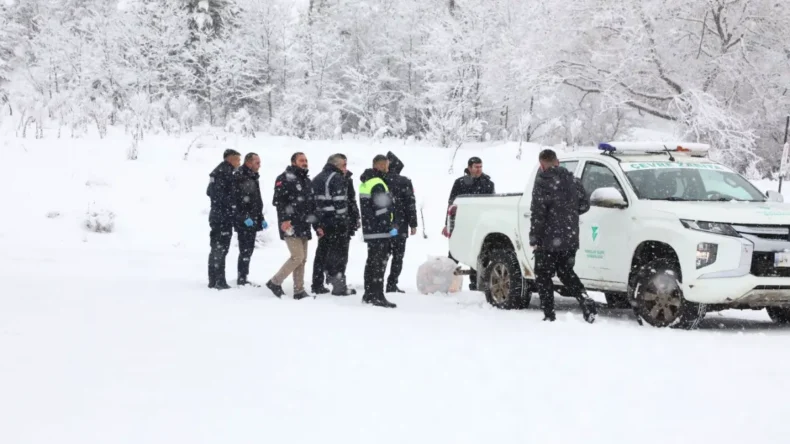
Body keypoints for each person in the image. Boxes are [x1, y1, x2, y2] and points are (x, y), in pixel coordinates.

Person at [529, 149, 597, 323]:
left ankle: (549, 314)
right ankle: (584, 298)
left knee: (543, 275)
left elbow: (538, 214)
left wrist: (535, 238)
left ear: (542, 165)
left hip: (547, 239)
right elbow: (585, 205)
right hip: (569, 236)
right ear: (557, 162)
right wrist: (568, 216)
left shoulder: (542, 183)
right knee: (566, 272)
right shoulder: (573, 181)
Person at [266, 152, 319, 300]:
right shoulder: (284, 178)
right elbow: (279, 201)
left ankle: (299, 290)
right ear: (293, 162)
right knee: (297, 256)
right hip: (290, 224)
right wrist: (285, 219)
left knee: (302, 259)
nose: (305, 162)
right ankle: (275, 282)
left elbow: (312, 205)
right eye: (301, 160)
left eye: (306, 160)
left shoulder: (307, 181)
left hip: (304, 224)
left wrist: (316, 225)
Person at [310, 153, 356, 296]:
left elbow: (312, 204)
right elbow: (340, 204)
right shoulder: (337, 178)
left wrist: (317, 224)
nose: (345, 168)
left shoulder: (317, 178)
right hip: (336, 223)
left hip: (322, 223)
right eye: (344, 165)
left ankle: (317, 284)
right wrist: (345, 222)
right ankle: (339, 287)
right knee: (339, 256)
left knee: (321, 254)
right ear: (336, 165)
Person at [446, 156, 495, 290]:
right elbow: (451, 204)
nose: (479, 169)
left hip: (480, 224)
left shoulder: (488, 183)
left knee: (478, 254)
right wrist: (447, 224)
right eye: (476, 167)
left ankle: (476, 283)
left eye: (480, 167)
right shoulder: (460, 183)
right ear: (469, 168)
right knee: (454, 254)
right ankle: (448, 281)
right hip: (461, 223)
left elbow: (492, 206)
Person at [359, 155, 398, 308]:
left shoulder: (367, 181)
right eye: (387, 166)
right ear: (381, 165)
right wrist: (389, 226)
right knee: (378, 264)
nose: (388, 169)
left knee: (371, 262)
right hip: (380, 231)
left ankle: (369, 293)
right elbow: (382, 208)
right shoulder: (378, 183)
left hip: (370, 229)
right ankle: (377, 295)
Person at [206, 149, 241, 290]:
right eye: (238, 160)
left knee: (217, 248)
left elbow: (210, 191)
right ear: (230, 159)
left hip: (219, 216)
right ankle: (219, 280)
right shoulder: (224, 172)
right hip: (221, 217)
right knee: (220, 248)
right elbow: (216, 194)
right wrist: (231, 205)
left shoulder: (220, 172)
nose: (239, 163)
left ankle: (213, 279)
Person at [384, 151, 418, 293]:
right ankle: (392, 283)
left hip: (382, 224)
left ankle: (376, 282)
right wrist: (413, 223)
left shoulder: (379, 179)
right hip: (400, 225)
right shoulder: (404, 181)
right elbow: (410, 203)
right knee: (398, 257)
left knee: (382, 256)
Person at [233, 152, 267, 286]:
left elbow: (255, 201)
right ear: (248, 163)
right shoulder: (240, 177)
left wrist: (261, 217)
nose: (259, 165)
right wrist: (245, 217)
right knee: (245, 249)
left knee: (249, 249)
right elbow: (237, 201)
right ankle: (241, 279)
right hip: (244, 220)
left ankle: (244, 276)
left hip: (253, 218)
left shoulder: (253, 177)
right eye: (257, 163)